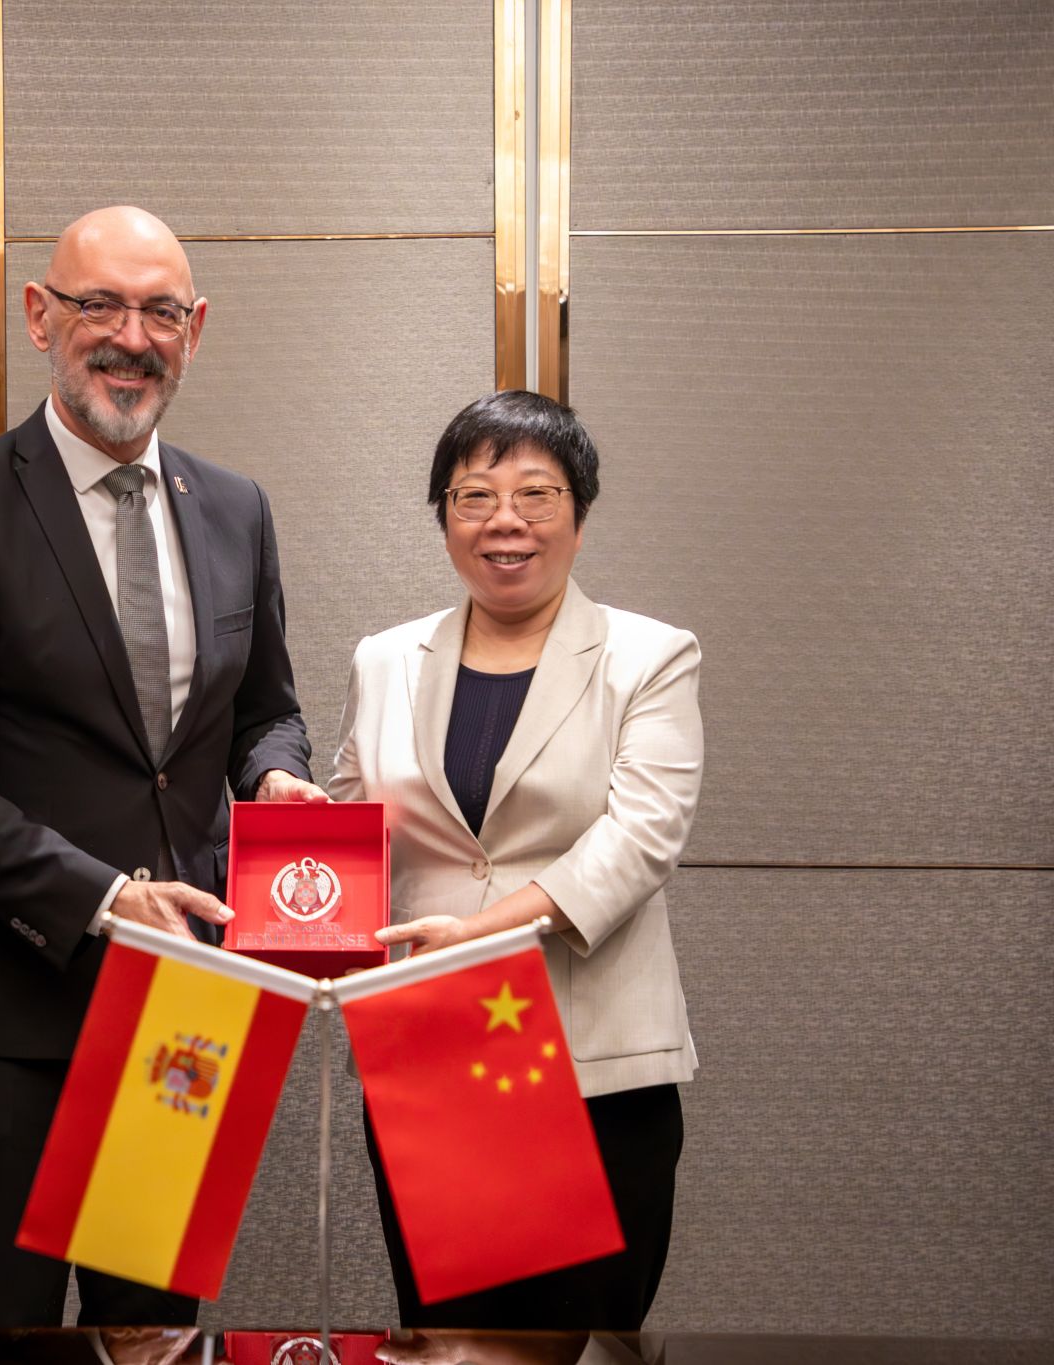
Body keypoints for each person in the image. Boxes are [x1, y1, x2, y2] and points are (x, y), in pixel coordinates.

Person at [0, 206, 325, 1327]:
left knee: (153, 1332)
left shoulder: (235, 508)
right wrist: (106, 898)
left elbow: (265, 711)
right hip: (7, 1004)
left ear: (194, 330)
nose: (131, 336)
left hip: (182, 1008)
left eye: (160, 312)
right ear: (39, 316)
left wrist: (275, 778)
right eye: (99, 305)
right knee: (4, 1333)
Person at [328, 389, 703, 1329]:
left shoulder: (649, 656)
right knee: (446, 1336)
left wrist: (481, 932)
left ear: (579, 513)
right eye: (474, 496)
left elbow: (641, 837)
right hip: (434, 1053)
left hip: (593, 1064)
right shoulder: (384, 659)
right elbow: (354, 821)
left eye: (537, 493)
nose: (506, 520)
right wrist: (304, 836)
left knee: (583, 1341)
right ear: (444, 517)